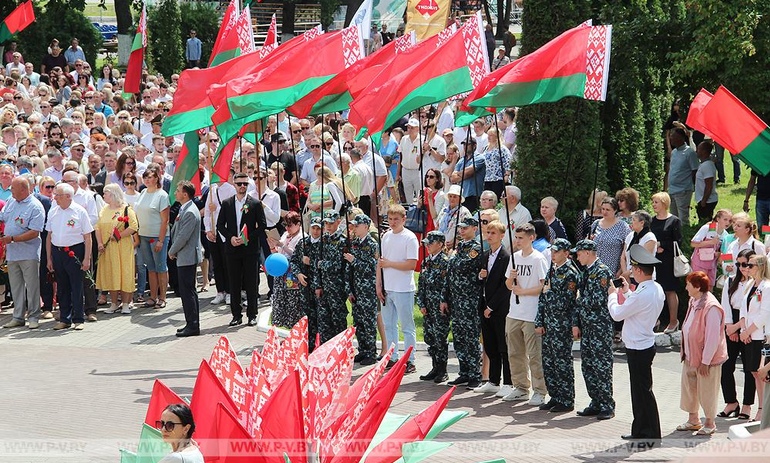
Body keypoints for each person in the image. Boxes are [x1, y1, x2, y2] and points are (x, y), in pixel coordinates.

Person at [608, 244, 665, 440]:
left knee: (641, 392)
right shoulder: (655, 288)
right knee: (641, 391)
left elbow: (617, 314)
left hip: (638, 348)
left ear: (640, 271)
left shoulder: (642, 293)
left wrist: (613, 295)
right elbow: (639, 307)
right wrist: (626, 292)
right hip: (644, 344)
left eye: (633, 269)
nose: (632, 272)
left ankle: (648, 432)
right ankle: (642, 429)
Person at [675, 271, 729, 436]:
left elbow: (713, 338)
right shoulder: (694, 300)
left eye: (688, 284)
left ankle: (710, 423)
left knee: (707, 391)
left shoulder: (711, 307)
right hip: (691, 355)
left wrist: (705, 361)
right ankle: (693, 420)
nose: (685, 287)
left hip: (708, 360)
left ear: (697, 287)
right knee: (690, 389)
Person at [503, 223, 548, 404]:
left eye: (521, 238)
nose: (518, 241)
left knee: (534, 354)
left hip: (531, 313)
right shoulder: (514, 257)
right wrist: (512, 278)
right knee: (514, 352)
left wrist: (524, 292)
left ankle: (540, 391)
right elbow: (508, 285)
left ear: (532, 238)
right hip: (514, 312)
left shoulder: (538, 259)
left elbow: (544, 285)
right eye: (517, 237)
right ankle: (521, 387)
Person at [534, 238, 580, 412]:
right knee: (549, 362)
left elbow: (569, 300)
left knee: (562, 363)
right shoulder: (552, 270)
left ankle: (566, 399)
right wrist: (540, 320)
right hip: (549, 324)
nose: (553, 254)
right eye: (552, 251)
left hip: (562, 324)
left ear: (566, 253)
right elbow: (543, 296)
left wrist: (550, 294)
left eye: (557, 251)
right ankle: (555, 395)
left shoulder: (571, 272)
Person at [573, 239, 615, 420]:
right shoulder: (586, 271)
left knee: (602, 366)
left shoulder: (601, 271)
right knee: (588, 365)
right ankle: (596, 401)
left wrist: (578, 301)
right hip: (588, 327)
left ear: (588, 253)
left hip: (599, 327)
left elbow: (598, 300)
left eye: (580, 253)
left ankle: (607, 404)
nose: (577, 256)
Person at [217, 173, 266, 327]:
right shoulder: (227, 203)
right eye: (239, 184)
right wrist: (231, 237)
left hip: (250, 249)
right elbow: (220, 225)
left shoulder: (255, 203)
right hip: (232, 249)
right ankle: (236, 315)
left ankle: (252, 314)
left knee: (251, 283)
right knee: (234, 283)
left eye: (245, 184)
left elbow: (262, 225)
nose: (242, 186)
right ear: (234, 184)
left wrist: (248, 237)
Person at [377, 204, 419, 373]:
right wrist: (379, 284)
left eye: (396, 219)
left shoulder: (410, 238)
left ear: (404, 219)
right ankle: (392, 357)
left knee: (407, 326)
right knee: (389, 325)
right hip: (388, 287)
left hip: (403, 288)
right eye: (390, 219)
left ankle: (410, 359)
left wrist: (390, 264)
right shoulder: (385, 237)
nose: (393, 222)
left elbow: (411, 264)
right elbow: (380, 263)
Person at [0, 177, 45, 330]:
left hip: (29, 253)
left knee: (32, 286)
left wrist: (13, 238)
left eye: (13, 188)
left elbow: (34, 232)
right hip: (13, 254)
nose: (10, 191)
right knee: (16, 286)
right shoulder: (12, 201)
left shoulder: (35, 206)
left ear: (23, 189)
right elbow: (2, 216)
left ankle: (33, 316)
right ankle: (18, 316)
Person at [47, 183, 93, 331]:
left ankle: (78, 318)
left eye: (58, 195)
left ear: (68, 196)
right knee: (62, 287)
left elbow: (88, 237)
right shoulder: (53, 211)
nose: (55, 198)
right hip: (58, 251)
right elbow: (49, 236)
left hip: (75, 251)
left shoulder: (79, 211)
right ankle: (65, 318)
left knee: (76, 286)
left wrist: (86, 258)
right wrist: (49, 258)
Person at [474, 220, 513, 396]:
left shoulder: (506, 257)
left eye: (493, 233)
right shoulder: (484, 255)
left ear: (502, 235)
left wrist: (491, 306)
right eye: (488, 232)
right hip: (484, 305)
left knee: (502, 345)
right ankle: (493, 380)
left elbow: (505, 286)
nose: (489, 236)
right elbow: (482, 281)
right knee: (490, 345)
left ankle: (508, 382)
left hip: (499, 307)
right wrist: (481, 276)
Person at [445, 216, 484, 388]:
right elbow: (450, 272)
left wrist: (452, 258)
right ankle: (464, 371)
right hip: (456, 298)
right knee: (459, 337)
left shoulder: (475, 247)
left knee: (470, 337)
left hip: (469, 299)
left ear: (474, 229)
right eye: (461, 228)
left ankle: (475, 373)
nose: (462, 231)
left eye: (465, 228)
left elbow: (463, 265)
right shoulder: (459, 246)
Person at [731, 252, 770, 422]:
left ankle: (763, 409)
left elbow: (764, 314)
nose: (746, 268)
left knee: (762, 373)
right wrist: (744, 330)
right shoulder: (749, 285)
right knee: (754, 372)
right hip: (749, 335)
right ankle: (761, 408)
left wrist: (748, 331)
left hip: (760, 335)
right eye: (746, 265)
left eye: (750, 265)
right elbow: (743, 310)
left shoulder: (767, 287)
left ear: (760, 267)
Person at [720, 248, 757, 420]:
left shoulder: (756, 284)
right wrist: (729, 327)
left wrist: (739, 328)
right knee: (726, 366)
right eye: (739, 264)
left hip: (748, 325)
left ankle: (747, 405)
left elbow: (751, 309)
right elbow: (725, 304)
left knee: (750, 368)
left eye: (746, 264)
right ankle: (731, 402)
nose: (743, 268)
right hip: (732, 322)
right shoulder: (730, 281)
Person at [95, 184, 138, 315]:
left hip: (122, 246)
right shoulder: (104, 210)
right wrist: (100, 243)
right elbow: (97, 227)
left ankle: (125, 303)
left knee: (124, 273)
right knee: (111, 273)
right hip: (108, 249)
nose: (103, 196)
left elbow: (133, 226)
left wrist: (119, 235)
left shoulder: (126, 208)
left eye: (105, 193)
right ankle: (113, 303)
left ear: (113, 194)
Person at [169, 181, 203, 337]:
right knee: (188, 291)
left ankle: (193, 325)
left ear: (185, 194)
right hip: (185, 256)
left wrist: (172, 250)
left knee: (187, 291)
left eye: (178, 190)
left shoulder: (189, 211)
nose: (175, 193)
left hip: (187, 256)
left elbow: (183, 236)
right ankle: (191, 322)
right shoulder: (186, 209)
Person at [417, 231, 451, 383]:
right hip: (428, 307)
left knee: (440, 338)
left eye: (431, 243)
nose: (428, 246)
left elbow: (446, 286)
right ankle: (435, 367)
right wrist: (421, 303)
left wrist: (443, 302)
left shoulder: (445, 262)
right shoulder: (426, 262)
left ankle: (443, 370)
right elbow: (421, 284)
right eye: (427, 243)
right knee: (429, 337)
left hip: (439, 307)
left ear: (440, 244)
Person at [345, 214, 379, 365]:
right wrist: (349, 290)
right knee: (358, 320)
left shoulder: (372, 244)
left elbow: (372, 267)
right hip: (356, 288)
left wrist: (354, 261)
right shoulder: (355, 243)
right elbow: (349, 268)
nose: (354, 228)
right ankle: (363, 349)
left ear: (366, 226)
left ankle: (371, 352)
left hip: (368, 289)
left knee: (368, 321)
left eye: (357, 226)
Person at [134, 167, 170, 309]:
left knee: (161, 267)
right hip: (144, 235)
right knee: (151, 268)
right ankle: (153, 296)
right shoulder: (142, 192)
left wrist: (161, 240)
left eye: (150, 177)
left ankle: (163, 297)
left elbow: (165, 220)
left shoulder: (162, 195)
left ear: (157, 178)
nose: (147, 180)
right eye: (145, 177)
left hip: (157, 236)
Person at [650, 192, 683, 333]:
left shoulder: (674, 221)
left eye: (656, 202)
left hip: (668, 260)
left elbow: (678, 241)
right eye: (653, 202)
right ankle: (655, 320)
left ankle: (673, 320)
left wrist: (662, 244)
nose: (653, 205)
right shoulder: (651, 221)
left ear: (664, 203)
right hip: (654, 260)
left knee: (670, 290)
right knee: (655, 291)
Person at [290, 217, 323, 351]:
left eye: (318, 228)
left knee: (321, 316)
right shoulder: (303, 243)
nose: (315, 231)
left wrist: (311, 261)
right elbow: (294, 261)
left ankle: (321, 344)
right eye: (313, 228)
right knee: (306, 316)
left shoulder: (324, 244)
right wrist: (298, 273)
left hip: (320, 287)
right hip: (305, 286)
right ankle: (308, 345)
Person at [268, 211, 304, 328]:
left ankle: (294, 331)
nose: (287, 228)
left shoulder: (301, 237)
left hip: (292, 272)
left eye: (290, 225)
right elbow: (278, 253)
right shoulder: (285, 235)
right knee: (280, 300)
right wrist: (273, 246)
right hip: (280, 272)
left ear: (298, 224)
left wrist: (282, 245)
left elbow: (296, 254)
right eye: (286, 225)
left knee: (292, 302)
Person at [690, 209, 732, 288]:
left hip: (712, 265)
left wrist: (723, 258)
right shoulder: (707, 228)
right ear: (718, 219)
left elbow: (725, 251)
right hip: (699, 263)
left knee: (709, 288)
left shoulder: (726, 235)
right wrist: (710, 242)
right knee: (697, 288)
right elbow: (693, 243)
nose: (728, 223)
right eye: (725, 219)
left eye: (730, 220)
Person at [590, 197, 630, 277]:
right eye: (603, 209)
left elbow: (627, 250)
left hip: (612, 271)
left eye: (608, 210)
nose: (604, 212)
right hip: (593, 271)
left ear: (615, 210)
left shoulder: (623, 226)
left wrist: (620, 271)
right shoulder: (596, 224)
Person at [666, 127, 699, 224]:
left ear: (681, 138)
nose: (671, 139)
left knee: (683, 218)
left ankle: (684, 235)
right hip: (672, 190)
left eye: (673, 137)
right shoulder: (674, 152)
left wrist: (692, 186)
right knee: (674, 218)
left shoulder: (689, 153)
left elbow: (695, 170)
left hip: (683, 190)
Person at [619, 211, 657, 283]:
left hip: (644, 278)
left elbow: (644, 260)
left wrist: (629, 272)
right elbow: (623, 257)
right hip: (629, 277)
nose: (631, 222)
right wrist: (626, 275)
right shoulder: (630, 235)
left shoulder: (649, 237)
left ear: (642, 223)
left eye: (634, 220)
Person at [437, 184, 471, 249]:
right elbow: (437, 226)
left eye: (455, 197)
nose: (452, 199)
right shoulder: (444, 211)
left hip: (456, 248)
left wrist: (456, 240)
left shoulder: (464, 212)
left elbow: (469, 230)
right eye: (450, 196)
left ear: (460, 199)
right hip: (441, 247)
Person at [695, 141, 718, 222]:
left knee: (705, 222)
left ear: (704, 151)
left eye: (698, 149)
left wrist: (704, 201)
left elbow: (709, 185)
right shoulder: (704, 164)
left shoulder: (707, 165)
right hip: (704, 199)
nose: (696, 151)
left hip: (707, 201)